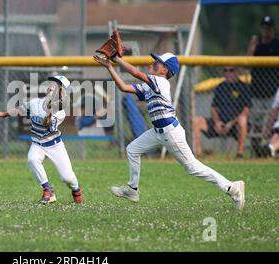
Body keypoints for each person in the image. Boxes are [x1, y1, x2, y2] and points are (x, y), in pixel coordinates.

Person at [93, 52, 245, 210]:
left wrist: (117, 59)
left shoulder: (161, 82)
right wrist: (110, 66)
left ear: (164, 70)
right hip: (158, 132)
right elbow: (123, 87)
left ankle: (231, 188)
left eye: (157, 62)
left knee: (193, 167)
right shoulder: (151, 85)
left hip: (170, 132)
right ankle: (132, 190)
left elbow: (136, 73)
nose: (153, 63)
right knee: (132, 149)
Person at [0, 75, 84, 204]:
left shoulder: (60, 112)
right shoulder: (35, 102)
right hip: (38, 143)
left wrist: (50, 107)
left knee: (67, 178)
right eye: (52, 83)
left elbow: (48, 122)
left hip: (54, 146)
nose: (53, 86)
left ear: (62, 93)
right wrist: (4, 114)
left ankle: (76, 190)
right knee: (32, 159)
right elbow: (20, 109)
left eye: (58, 85)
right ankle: (48, 190)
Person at [192, 67, 251, 159]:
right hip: (220, 123)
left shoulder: (243, 87)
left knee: (242, 120)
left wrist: (231, 123)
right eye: (225, 70)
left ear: (237, 72)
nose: (228, 73)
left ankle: (240, 154)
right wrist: (217, 122)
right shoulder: (220, 87)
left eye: (231, 70)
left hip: (235, 125)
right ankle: (198, 155)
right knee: (196, 121)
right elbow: (214, 108)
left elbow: (246, 111)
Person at [247, 15, 279, 100]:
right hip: (256, 91)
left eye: (269, 28)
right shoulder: (256, 43)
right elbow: (246, 65)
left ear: (273, 29)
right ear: (261, 29)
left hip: (275, 93)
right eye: (264, 28)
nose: (266, 31)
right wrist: (252, 48)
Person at [262, 81, 279, 157]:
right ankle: (269, 150)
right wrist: (268, 128)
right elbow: (274, 110)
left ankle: (270, 149)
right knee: (275, 138)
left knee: (274, 146)